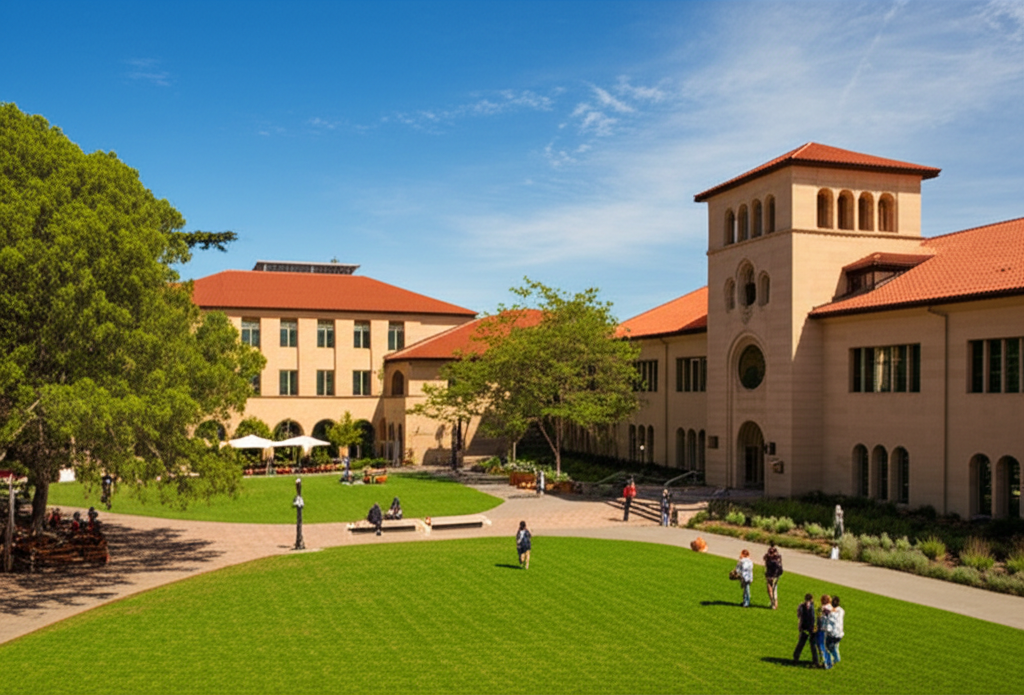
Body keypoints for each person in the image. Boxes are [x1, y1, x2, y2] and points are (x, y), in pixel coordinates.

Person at [793, 593, 819, 667]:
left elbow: (799, 616)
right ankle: (815, 661)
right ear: (812, 599)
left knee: (801, 643)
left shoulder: (801, 606)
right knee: (813, 645)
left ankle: (796, 657)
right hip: (812, 627)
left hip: (804, 627)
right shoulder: (814, 606)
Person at [825, 595, 844, 666]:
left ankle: (836, 658)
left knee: (828, 646)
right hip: (840, 633)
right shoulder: (841, 611)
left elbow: (830, 624)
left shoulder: (831, 614)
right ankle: (836, 656)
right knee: (836, 645)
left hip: (834, 634)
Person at [764, 541, 783, 609]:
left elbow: (776, 567)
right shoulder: (777, 556)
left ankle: (774, 603)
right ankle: (774, 603)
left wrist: (773, 576)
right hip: (774, 575)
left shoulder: (773, 559)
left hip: (772, 575)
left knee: (771, 589)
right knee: (773, 589)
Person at [816, 594, 834, 669]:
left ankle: (826, 663)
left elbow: (821, 617)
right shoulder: (831, 607)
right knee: (824, 646)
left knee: (821, 645)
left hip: (822, 629)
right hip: (828, 629)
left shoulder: (825, 608)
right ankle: (829, 661)